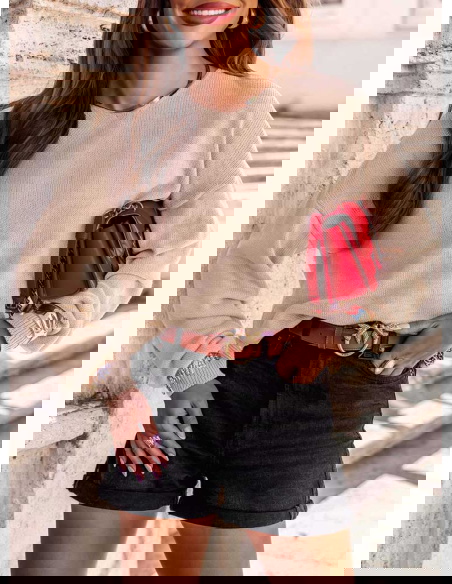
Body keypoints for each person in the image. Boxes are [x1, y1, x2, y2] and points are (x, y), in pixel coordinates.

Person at [4, 0, 452, 576]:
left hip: (357, 375)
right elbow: (270, 239)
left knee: (220, 540)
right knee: (105, 514)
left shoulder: (242, 97)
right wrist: (174, 363)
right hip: (260, 341)